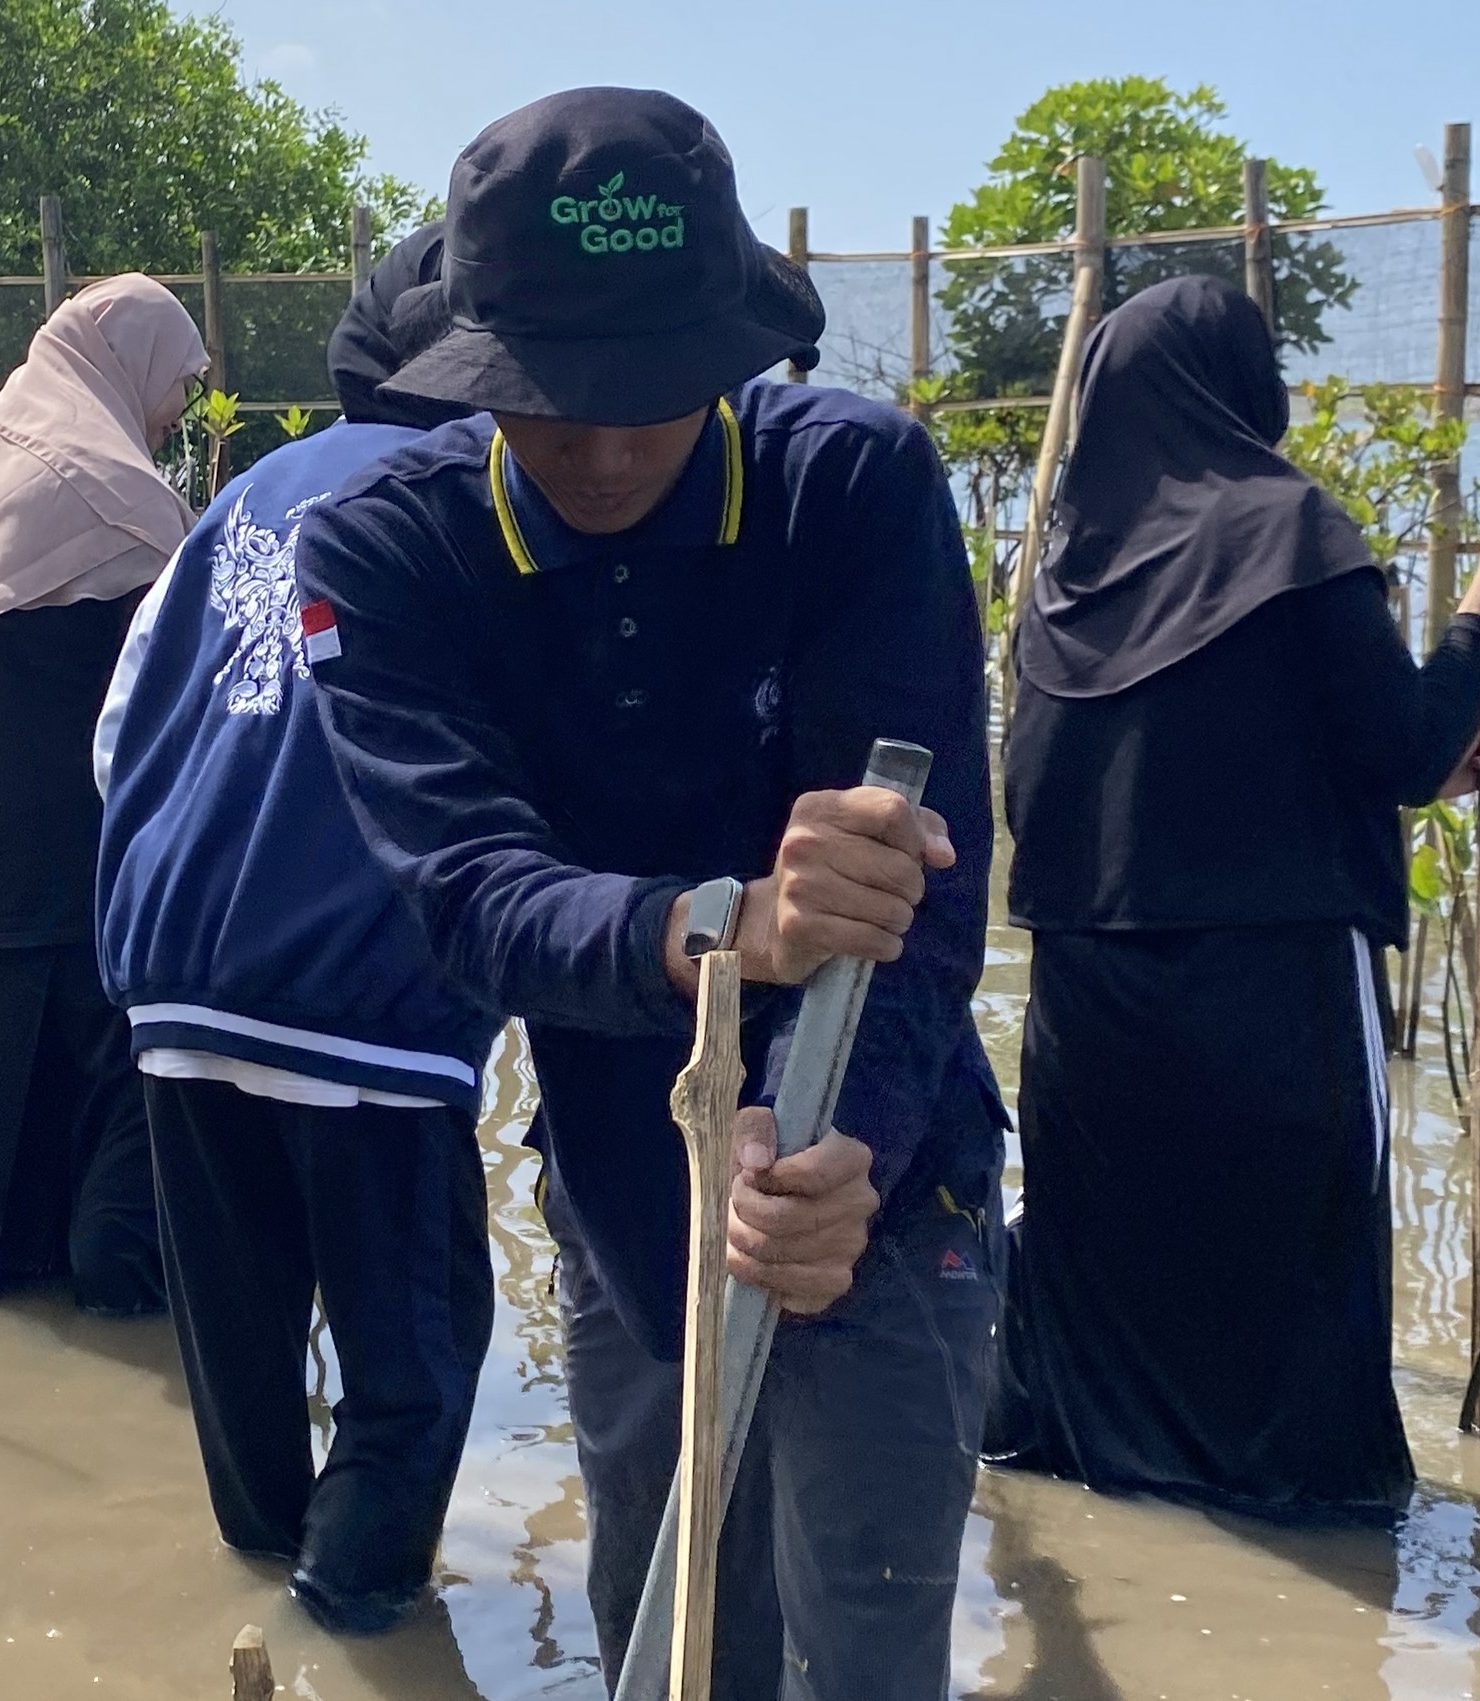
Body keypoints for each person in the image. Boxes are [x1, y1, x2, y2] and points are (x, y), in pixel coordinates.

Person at [294, 89, 1007, 1699]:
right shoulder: (386, 557)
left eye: (657, 399)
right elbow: (470, 896)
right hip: (626, 1181)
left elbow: (925, 906)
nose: (608, 451)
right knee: (670, 1632)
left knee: (871, 1650)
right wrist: (725, 923)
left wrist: (849, 1158)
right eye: (554, 403)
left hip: (883, 1182)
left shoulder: (856, 492)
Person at [984, 274, 1480, 1524]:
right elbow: (1406, 751)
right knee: (1293, 1322)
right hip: (1269, 1003)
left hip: (1087, 1012)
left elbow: (1123, 783)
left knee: (1108, 1302)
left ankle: (1099, 1541)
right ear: (1244, 391)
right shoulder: (1289, 526)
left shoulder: (1062, 574)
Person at [91, 223, 498, 1636]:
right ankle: (349, 1621)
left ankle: (260, 1584)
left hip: (175, 990)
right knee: (421, 1358)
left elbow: (119, 728)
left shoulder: (247, 491)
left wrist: (182, 896)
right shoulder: (495, 491)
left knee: (243, 1353)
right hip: (365, 993)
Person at [0, 273, 208, 1316]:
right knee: (104, 1181)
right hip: (79, 880)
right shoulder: (117, 498)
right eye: (175, 385)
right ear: (126, 363)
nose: (177, 413)